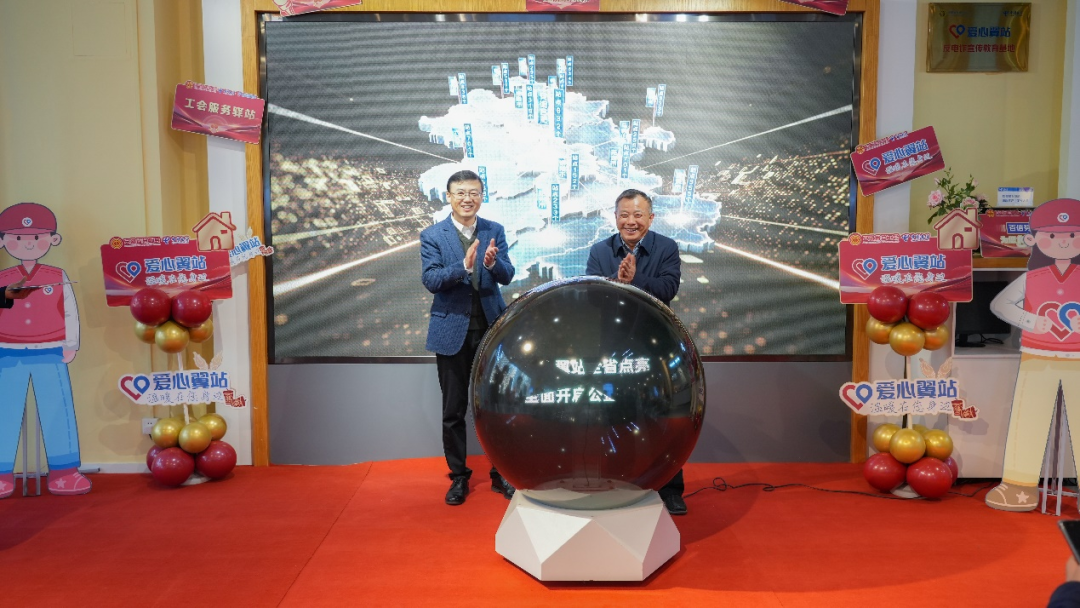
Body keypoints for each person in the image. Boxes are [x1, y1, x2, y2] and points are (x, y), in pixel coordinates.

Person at [585, 188, 686, 515]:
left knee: (663, 416)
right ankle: (617, 482)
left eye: (638, 215)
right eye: (624, 215)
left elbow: (669, 288)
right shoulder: (600, 250)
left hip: (655, 345)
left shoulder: (666, 248)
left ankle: (670, 489)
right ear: (615, 218)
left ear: (650, 218)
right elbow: (591, 296)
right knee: (613, 416)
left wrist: (635, 278)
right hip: (613, 348)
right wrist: (617, 280)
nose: (631, 221)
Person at [421, 170, 516, 505]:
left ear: (481, 196)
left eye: (474, 192)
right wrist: (463, 266)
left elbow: (508, 274)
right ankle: (459, 477)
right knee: (453, 410)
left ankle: (501, 473)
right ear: (449, 197)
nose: (467, 199)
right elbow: (431, 280)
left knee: (496, 408)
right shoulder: (433, 235)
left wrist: (492, 264)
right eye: (460, 193)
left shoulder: (494, 230)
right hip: (451, 332)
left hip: (491, 331)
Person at [986, 198, 1080, 511]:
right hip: (1037, 356)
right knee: (1028, 418)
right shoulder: (1032, 278)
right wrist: (1032, 321)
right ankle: (1018, 485)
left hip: (1078, 358)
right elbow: (1000, 305)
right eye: (1052, 235)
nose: (1064, 242)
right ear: (1034, 239)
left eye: (1073, 234)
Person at [0, 202, 89, 499]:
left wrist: (71, 343)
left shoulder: (57, 274)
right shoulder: (2, 279)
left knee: (57, 409)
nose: (28, 244)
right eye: (18, 238)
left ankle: (65, 471)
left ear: (53, 239)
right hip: (7, 350)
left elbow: (70, 312)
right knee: (5, 410)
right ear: (3, 240)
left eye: (36, 237)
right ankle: (2, 473)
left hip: (50, 350)